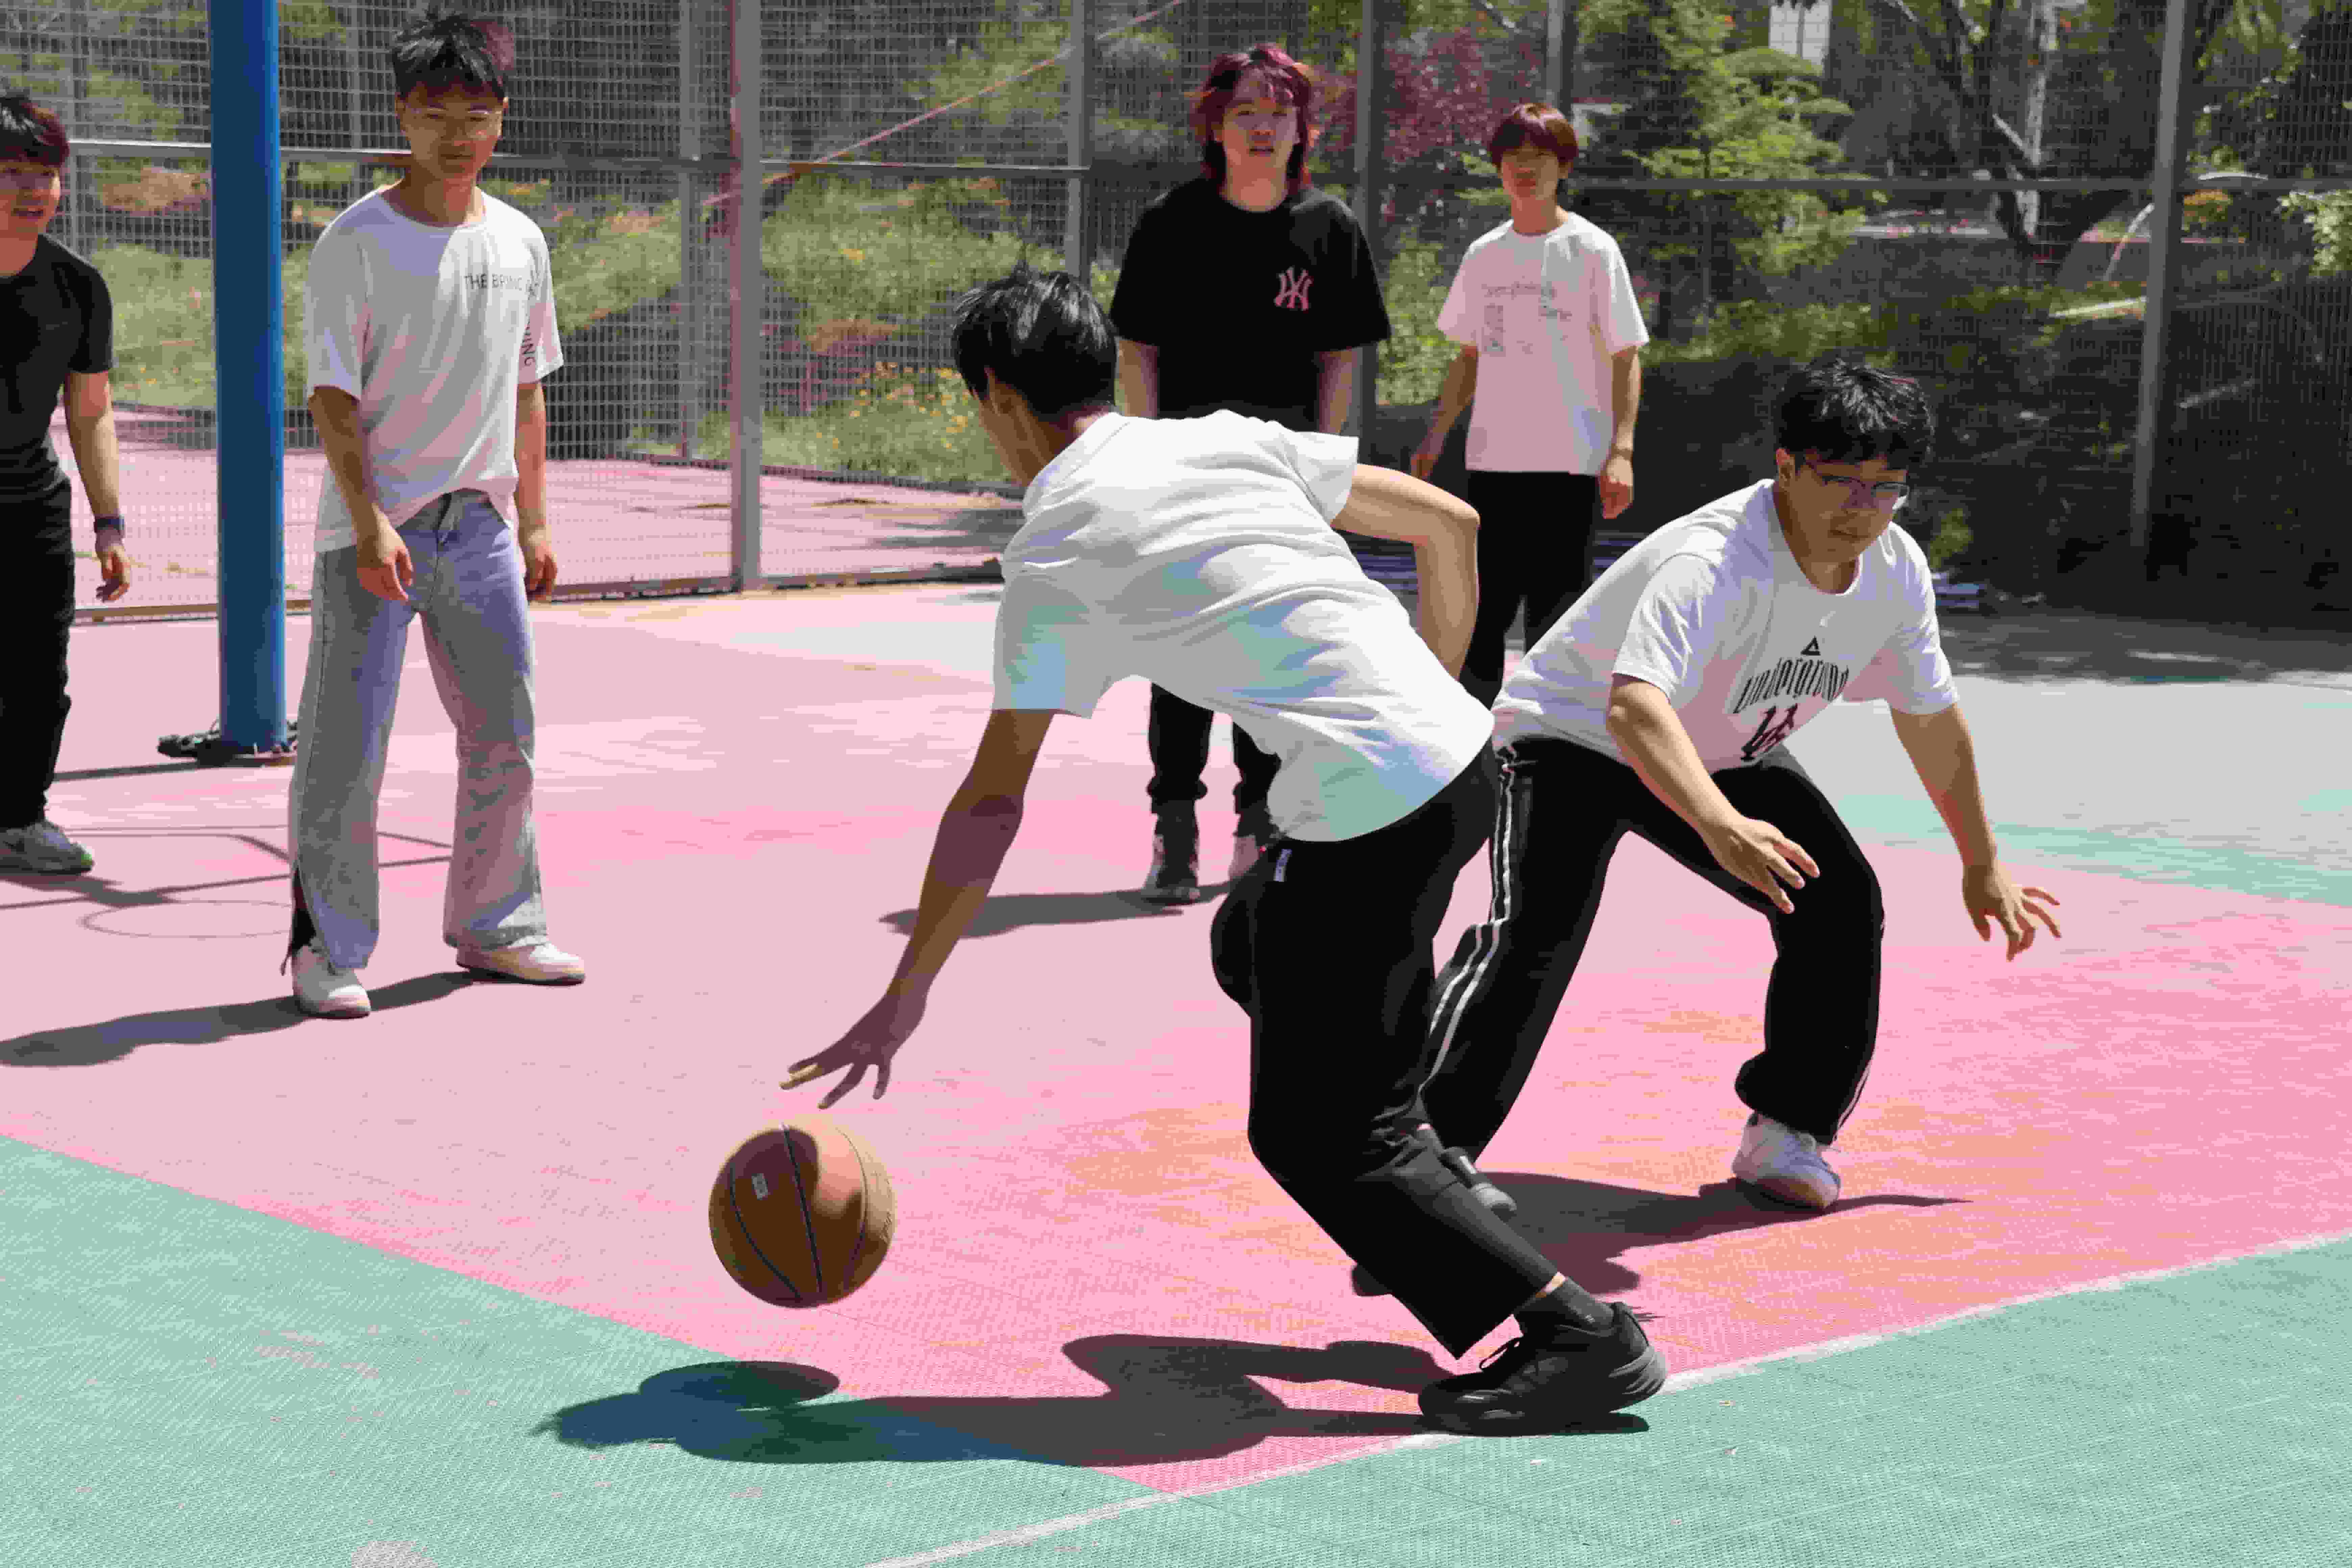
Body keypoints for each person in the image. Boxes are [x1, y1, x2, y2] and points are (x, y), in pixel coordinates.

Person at [782, 262, 1668, 1434]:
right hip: (1460, 766)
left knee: (1316, 1139)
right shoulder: (1214, 439)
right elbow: (1452, 523)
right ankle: (1423, 1164)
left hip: (1373, 810)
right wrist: (1436, 696)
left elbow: (994, 800)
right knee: (1252, 936)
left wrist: (908, 988)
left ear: (995, 397)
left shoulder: (1057, 547)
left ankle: (1579, 1336)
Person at [1401, 355, 2061, 1246]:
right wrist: (1717, 823)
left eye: (1887, 489)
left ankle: (1787, 1131)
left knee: (1838, 901)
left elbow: (1932, 720)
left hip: (1723, 746)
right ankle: (1429, 1149)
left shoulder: (1895, 572)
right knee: (1537, 930)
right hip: (1573, 738)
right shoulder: (1714, 560)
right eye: (1841, 483)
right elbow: (1635, 706)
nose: (1863, 510)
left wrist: (1982, 863)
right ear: (1786, 467)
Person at [284, 3, 585, 1017]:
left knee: (505, 736)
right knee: (347, 747)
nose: (458, 135)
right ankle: (330, 950)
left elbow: (529, 385)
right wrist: (367, 522)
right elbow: (333, 396)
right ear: (401, 117)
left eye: (478, 113)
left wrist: (534, 519)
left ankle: (501, 927)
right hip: (375, 535)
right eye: (436, 113)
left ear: (502, 120)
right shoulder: (354, 243)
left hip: (483, 529)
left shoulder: (520, 240)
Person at [1108, 44, 1392, 902]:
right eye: (1245, 112)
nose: (1263, 126)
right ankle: (1174, 823)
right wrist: (1148, 455)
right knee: (1184, 653)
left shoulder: (1330, 228)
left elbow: (1340, 358)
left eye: (1280, 112)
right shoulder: (1172, 223)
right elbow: (1138, 348)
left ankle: (1257, 821)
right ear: (1217, 127)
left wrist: (1321, 468)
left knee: (1270, 659)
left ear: (1302, 129)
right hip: (1186, 473)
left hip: (1282, 478)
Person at [1413, 102, 1645, 710]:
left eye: (1540, 157)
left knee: (1558, 615)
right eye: (1514, 157)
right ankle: (1470, 746)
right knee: (1483, 612)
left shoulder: (1593, 250)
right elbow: (1468, 355)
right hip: (1493, 464)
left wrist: (1621, 451)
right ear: (1498, 168)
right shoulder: (1485, 254)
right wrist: (1437, 434)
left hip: (1571, 464)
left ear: (1562, 167)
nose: (1526, 169)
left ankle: (1547, 741)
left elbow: (1627, 355)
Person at [0, 94, 131, 876]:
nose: (33, 188)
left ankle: (20, 818)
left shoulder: (78, 286)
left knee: (40, 679)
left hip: (31, 507)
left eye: (46, 173)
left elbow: (92, 413)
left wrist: (108, 522)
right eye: (13, 171)